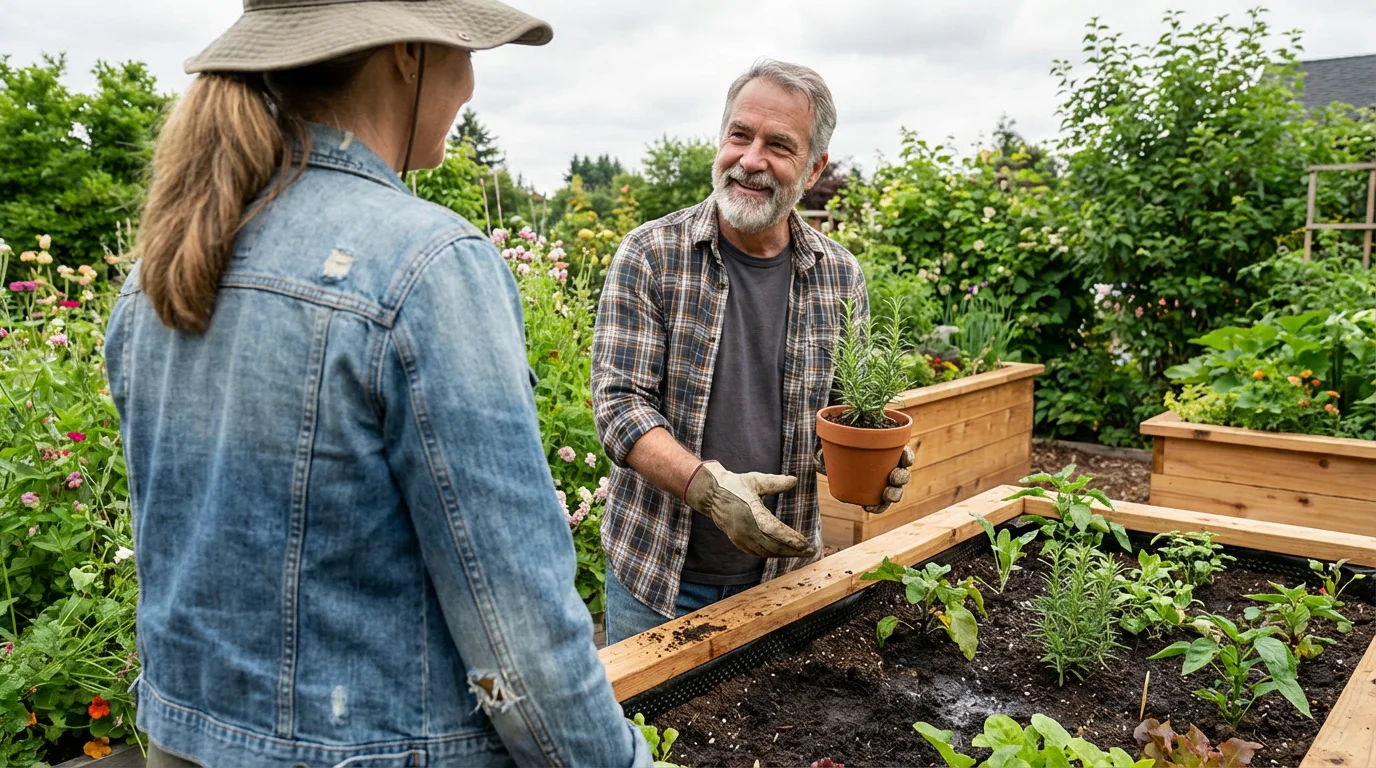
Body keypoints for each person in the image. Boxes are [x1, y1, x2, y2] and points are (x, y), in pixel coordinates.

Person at [105, 1, 648, 765]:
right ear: (406, 53)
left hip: (184, 740)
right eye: (464, 49)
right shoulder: (424, 265)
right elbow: (518, 635)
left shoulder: (168, 260)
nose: (468, 86)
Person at [593, 59, 915, 645]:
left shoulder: (838, 275)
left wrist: (875, 462)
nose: (750, 159)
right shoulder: (650, 255)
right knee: (646, 737)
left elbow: (842, 414)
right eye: (740, 135)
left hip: (783, 581)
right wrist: (709, 491)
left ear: (814, 167)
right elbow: (619, 406)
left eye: (779, 145)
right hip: (658, 578)